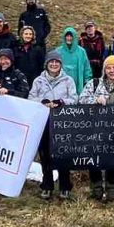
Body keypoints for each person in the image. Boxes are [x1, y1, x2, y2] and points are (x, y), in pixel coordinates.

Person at [79, 55, 114, 202]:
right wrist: (95, 100)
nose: (112, 70)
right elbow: (81, 100)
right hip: (95, 128)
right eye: (109, 67)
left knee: (113, 159)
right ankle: (96, 187)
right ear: (104, 69)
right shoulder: (94, 84)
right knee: (94, 159)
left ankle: (113, 188)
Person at [28, 50, 78, 200]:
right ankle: (47, 185)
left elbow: (74, 98)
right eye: (51, 62)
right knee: (45, 155)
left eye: (57, 62)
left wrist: (61, 102)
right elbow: (31, 98)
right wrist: (42, 102)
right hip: (44, 122)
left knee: (63, 154)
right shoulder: (38, 80)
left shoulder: (68, 80)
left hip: (63, 123)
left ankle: (65, 186)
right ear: (47, 64)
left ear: (60, 64)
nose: (54, 64)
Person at [56, 27, 92, 95]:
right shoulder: (58, 51)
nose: (69, 38)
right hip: (62, 84)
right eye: (67, 36)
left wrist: (87, 82)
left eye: (71, 36)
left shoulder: (81, 52)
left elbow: (87, 68)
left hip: (78, 84)